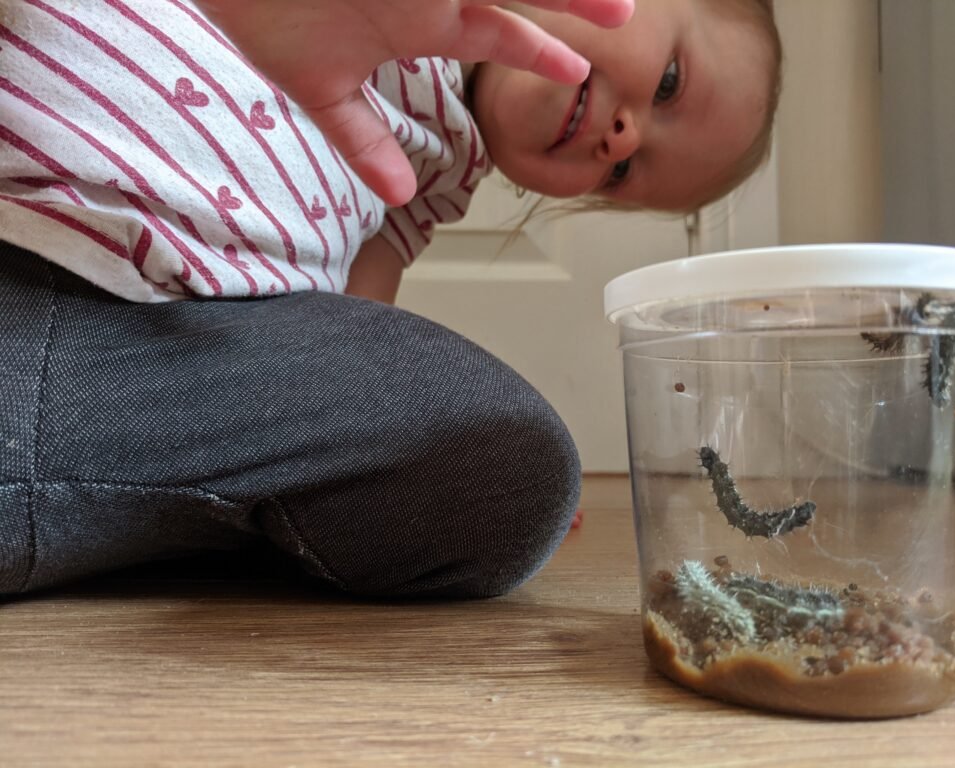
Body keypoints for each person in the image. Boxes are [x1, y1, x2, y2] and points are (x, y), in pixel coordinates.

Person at [0, 0, 782, 598]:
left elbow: (351, 324)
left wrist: (422, 439)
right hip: (32, 214)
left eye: (622, 174)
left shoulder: (440, 175)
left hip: (142, 349)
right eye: (670, 83)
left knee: (504, 467)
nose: (622, 135)